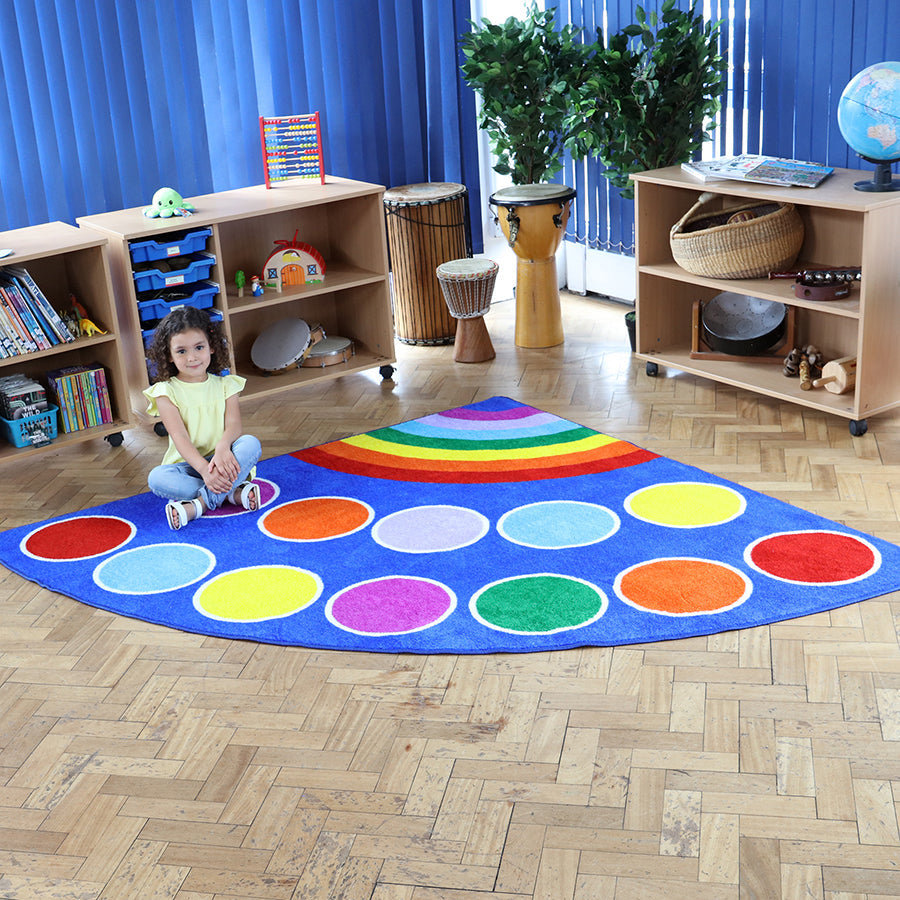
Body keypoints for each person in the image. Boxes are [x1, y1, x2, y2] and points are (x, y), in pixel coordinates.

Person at [144, 307, 262, 530]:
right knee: (156, 478)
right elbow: (179, 437)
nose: (192, 357)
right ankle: (231, 493)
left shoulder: (227, 385)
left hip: (225, 459)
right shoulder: (164, 391)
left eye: (199, 347)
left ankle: (198, 505)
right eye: (181, 351)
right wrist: (204, 471)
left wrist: (223, 448)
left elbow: (234, 425)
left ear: (212, 347)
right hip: (187, 466)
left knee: (250, 443)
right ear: (169, 355)